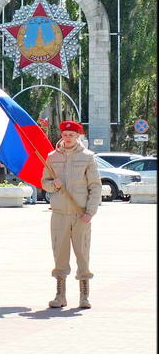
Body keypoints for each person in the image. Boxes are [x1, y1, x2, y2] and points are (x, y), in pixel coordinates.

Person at [41, 121, 101, 309]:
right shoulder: (52, 157)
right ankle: (60, 296)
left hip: (80, 214)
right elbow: (44, 182)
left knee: (82, 253)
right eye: (65, 134)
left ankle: (84, 296)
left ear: (78, 136)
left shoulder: (87, 157)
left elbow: (95, 186)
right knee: (59, 252)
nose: (67, 138)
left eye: (71, 135)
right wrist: (54, 185)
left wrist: (90, 212)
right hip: (59, 213)